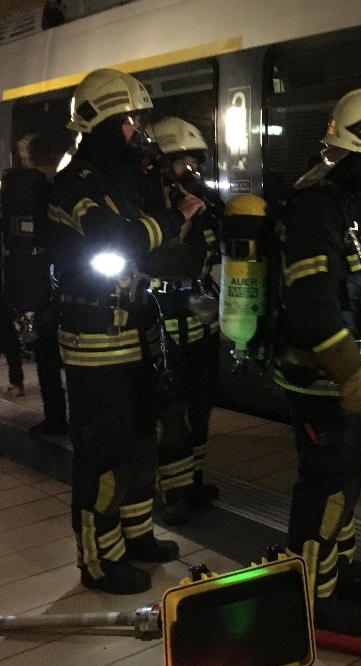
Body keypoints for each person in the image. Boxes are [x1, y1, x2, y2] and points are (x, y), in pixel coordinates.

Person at [48, 68, 205, 594]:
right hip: (94, 338)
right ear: (103, 123)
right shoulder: (73, 186)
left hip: (138, 331)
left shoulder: (132, 181)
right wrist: (168, 218)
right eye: (131, 120)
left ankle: (136, 536)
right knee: (104, 453)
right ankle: (99, 560)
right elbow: (116, 236)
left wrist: (178, 226)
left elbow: (153, 250)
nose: (142, 130)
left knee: (141, 439)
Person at [270, 88, 361, 636]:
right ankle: (308, 600)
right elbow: (312, 306)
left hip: (341, 374)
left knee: (345, 483)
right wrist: (351, 374)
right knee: (326, 487)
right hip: (322, 378)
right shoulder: (317, 206)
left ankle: (335, 573)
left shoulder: (351, 205)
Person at [142, 116, 224, 525]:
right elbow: (161, 257)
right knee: (171, 411)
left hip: (203, 317)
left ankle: (194, 480)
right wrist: (180, 217)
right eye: (181, 163)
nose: (190, 170)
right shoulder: (150, 208)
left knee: (201, 405)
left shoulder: (205, 202)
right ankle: (174, 492)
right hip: (165, 319)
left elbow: (221, 246)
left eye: (195, 162)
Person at [10, 133, 69, 436]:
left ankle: (56, 417)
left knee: (46, 356)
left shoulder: (25, 188)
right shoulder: (63, 183)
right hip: (67, 282)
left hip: (38, 282)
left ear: (28, 156)